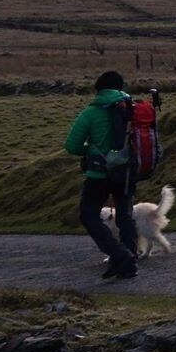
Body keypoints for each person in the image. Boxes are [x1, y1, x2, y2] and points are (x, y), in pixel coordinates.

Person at [64, 70, 139, 280]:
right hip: (126, 171)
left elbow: (71, 145)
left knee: (88, 215)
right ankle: (129, 259)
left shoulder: (91, 113)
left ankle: (120, 255)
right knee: (125, 215)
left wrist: (90, 150)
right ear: (120, 87)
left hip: (99, 174)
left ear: (98, 89)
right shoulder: (131, 109)